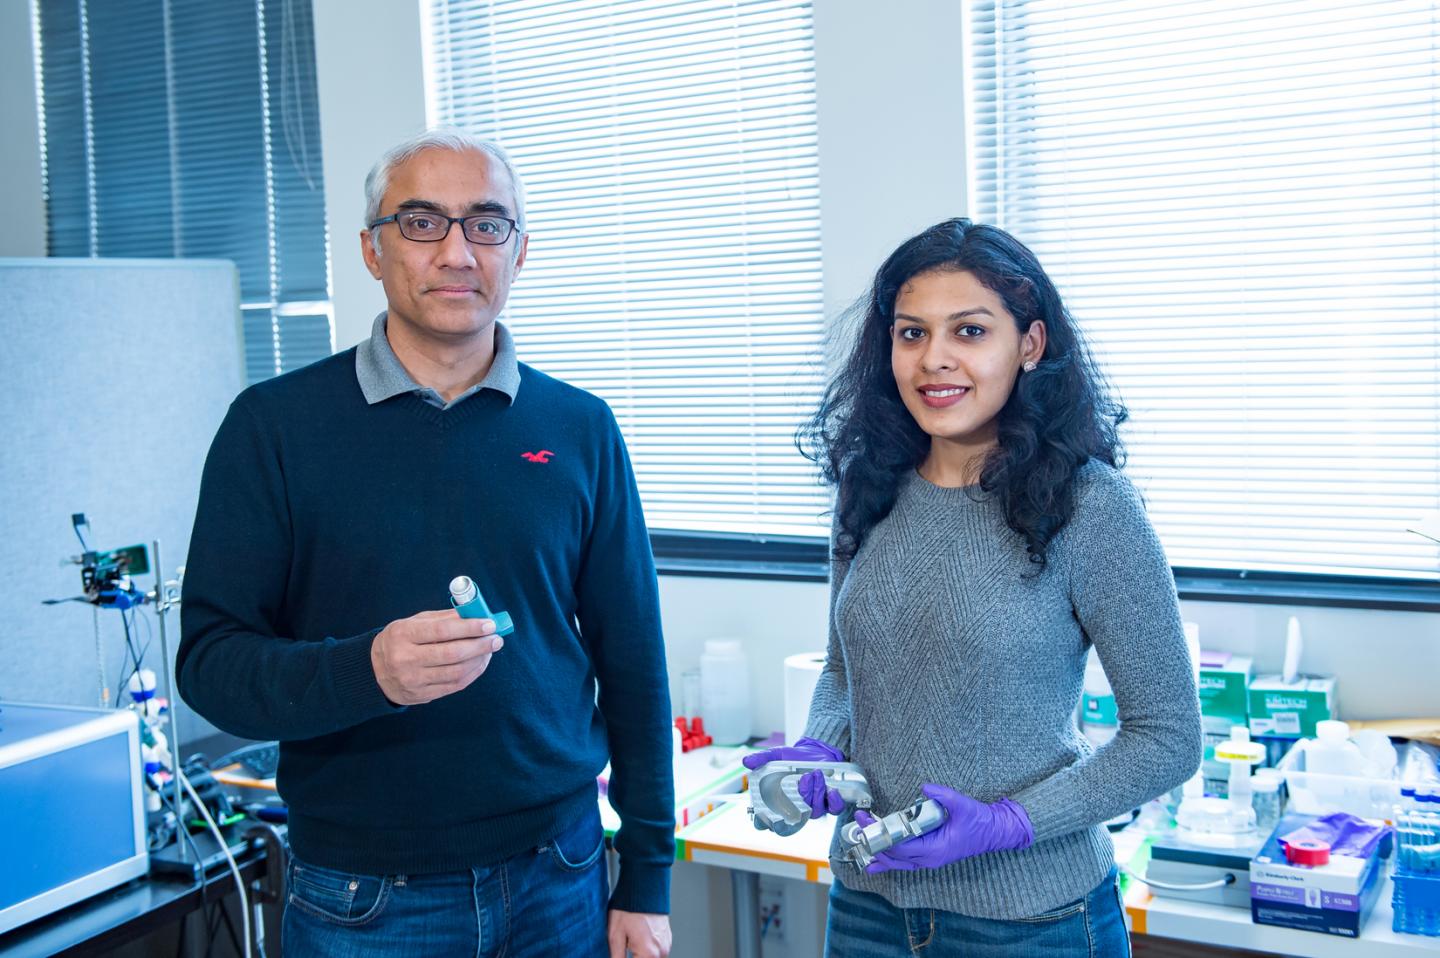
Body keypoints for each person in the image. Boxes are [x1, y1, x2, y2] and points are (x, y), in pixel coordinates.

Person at [178, 129, 673, 958]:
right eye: (420, 223)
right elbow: (211, 665)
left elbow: (632, 659)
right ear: (373, 251)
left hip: (562, 873)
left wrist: (648, 874)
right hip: (362, 898)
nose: (456, 251)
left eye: (486, 224)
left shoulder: (580, 428)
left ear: (520, 251)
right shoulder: (273, 429)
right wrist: (366, 671)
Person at [745, 218, 1202, 956]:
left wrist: (1010, 824)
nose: (935, 360)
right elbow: (842, 670)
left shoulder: (1092, 506)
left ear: (1030, 345)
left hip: (1033, 921)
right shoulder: (870, 486)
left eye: (969, 331)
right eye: (912, 333)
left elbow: (1169, 739)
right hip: (869, 908)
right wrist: (819, 751)